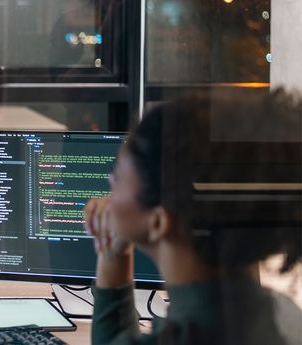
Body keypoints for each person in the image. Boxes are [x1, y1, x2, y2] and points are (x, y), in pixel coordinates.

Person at [85, 91, 302, 344]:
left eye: (118, 175)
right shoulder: (285, 313)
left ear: (158, 222)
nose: (110, 181)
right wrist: (114, 254)